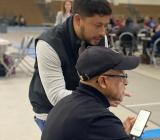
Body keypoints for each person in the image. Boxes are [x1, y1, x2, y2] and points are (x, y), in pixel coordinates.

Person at [29, 0, 112, 131]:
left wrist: (115, 85)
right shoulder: (48, 44)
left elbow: (101, 74)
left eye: (105, 25)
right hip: (52, 111)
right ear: (78, 20)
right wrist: (99, 98)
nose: (103, 32)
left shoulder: (100, 38)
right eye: (98, 25)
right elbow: (57, 96)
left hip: (86, 104)